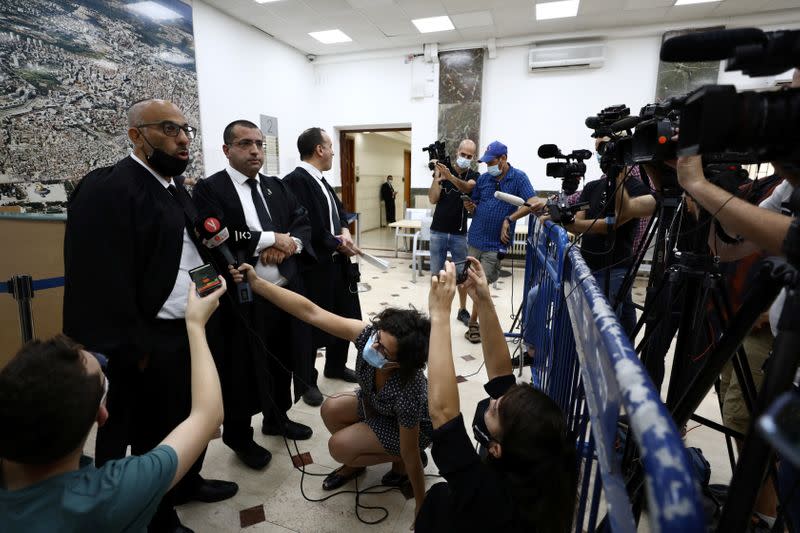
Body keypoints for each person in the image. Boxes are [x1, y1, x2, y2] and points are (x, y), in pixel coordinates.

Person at [63, 99, 237, 532]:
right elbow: (98, 277)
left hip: (188, 328)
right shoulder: (109, 188)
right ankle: (156, 514)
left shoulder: (173, 187)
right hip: (142, 341)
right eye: (168, 129)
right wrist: (127, 347)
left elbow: (188, 251)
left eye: (185, 130)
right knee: (146, 432)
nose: (182, 139)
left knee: (183, 415)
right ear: (136, 136)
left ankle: (186, 482)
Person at [0, 280, 227, 533]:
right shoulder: (112, 493)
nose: (98, 357)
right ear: (102, 413)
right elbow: (208, 415)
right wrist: (195, 325)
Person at [230, 262, 432, 526]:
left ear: (400, 363)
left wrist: (421, 505)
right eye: (377, 339)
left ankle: (396, 466)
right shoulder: (367, 336)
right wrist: (258, 284)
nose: (374, 347)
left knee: (341, 447)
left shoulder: (410, 388)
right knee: (331, 408)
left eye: (384, 350)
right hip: (379, 407)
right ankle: (356, 464)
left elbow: (410, 450)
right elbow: (311, 312)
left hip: (412, 430)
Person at [416, 258, 577, 532]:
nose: (492, 399)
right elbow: (502, 376)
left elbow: (443, 413)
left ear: (496, 449)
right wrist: (483, 301)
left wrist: (440, 315)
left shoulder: (489, 497)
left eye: (494, 410)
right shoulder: (543, 456)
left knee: (439, 499)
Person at [192, 120, 316, 470]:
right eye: (245, 144)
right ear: (227, 150)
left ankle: (277, 418)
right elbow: (215, 231)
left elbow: (300, 221)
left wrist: (289, 244)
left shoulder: (276, 187)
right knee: (240, 368)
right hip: (240, 299)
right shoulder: (210, 189)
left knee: (282, 359)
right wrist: (270, 238)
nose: (255, 150)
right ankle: (239, 435)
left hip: (281, 291)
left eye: (259, 144)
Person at [283, 127, 362, 406]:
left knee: (344, 313)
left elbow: (338, 212)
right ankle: (307, 382)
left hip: (336, 263)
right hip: (314, 267)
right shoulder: (296, 181)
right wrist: (336, 242)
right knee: (311, 322)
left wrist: (345, 230)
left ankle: (336, 365)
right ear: (319, 149)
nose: (331, 152)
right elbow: (308, 225)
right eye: (329, 147)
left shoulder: (322, 181)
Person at [558, 145, 656, 336]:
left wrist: (573, 225)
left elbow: (612, 223)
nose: (604, 155)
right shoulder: (593, 186)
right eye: (602, 151)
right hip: (589, 264)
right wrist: (568, 219)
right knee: (608, 320)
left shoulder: (637, 188)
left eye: (610, 150)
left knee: (605, 329)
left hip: (616, 268)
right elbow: (580, 217)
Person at [463, 140, 545, 343]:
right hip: (475, 238)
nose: (488, 166)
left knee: (481, 284)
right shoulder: (483, 180)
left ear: (503, 159)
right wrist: (471, 207)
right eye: (486, 162)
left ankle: (480, 322)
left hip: (495, 244)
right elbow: (476, 203)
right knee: (469, 282)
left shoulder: (518, 178)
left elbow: (533, 202)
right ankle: (478, 320)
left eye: (491, 162)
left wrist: (510, 219)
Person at [428, 139, 479, 327]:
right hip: (438, 232)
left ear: (473, 158)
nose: (465, 158)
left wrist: (450, 177)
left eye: (469, 156)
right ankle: (434, 310)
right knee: (435, 273)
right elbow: (433, 198)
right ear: (457, 152)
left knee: (462, 276)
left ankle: (462, 309)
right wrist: (437, 177)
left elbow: (468, 187)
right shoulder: (443, 169)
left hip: (459, 234)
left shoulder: (474, 174)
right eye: (463, 154)